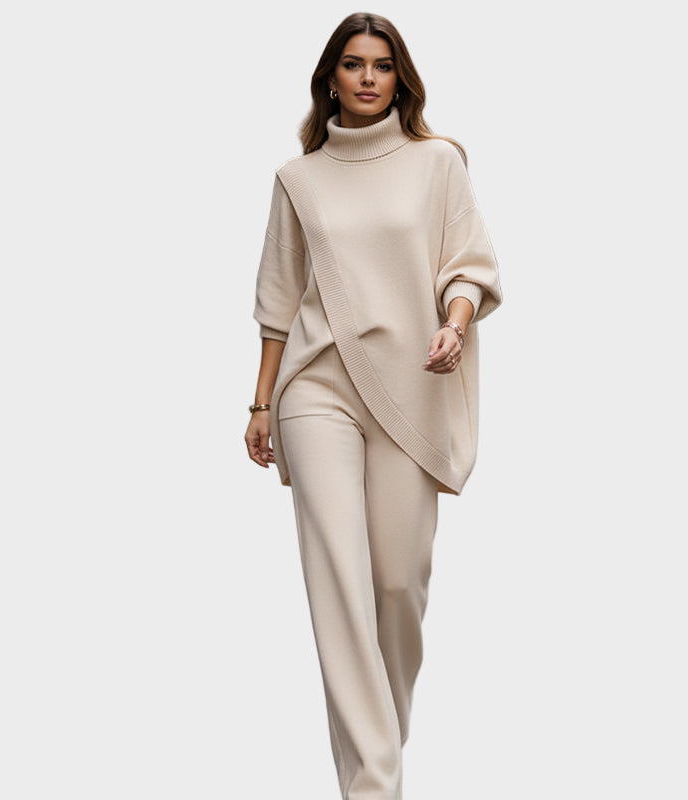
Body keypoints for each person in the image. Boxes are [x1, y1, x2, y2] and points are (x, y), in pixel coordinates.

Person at [245, 12, 503, 799]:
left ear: (400, 78)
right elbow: (279, 300)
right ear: (330, 78)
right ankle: (375, 786)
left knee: (396, 587)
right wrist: (261, 403)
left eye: (382, 65)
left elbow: (469, 264)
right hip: (315, 389)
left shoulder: (438, 163)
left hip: (408, 387)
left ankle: (378, 750)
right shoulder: (299, 179)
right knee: (339, 582)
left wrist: (455, 322)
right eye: (353, 64)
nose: (367, 77)